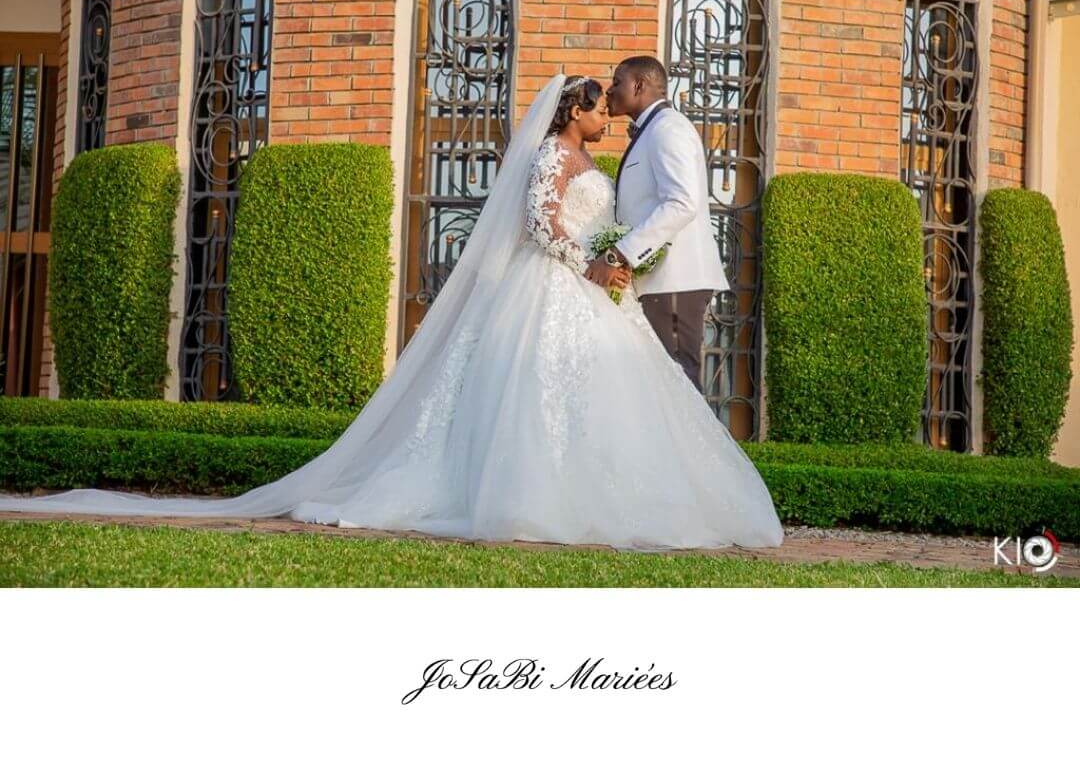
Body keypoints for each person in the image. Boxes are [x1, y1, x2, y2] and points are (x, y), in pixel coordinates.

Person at [0, 73, 784, 551]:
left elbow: (590, 218)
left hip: (593, 289)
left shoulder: (596, 158)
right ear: (569, 115)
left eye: (607, 103)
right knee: (537, 394)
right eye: (593, 106)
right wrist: (591, 262)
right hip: (558, 288)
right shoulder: (552, 156)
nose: (603, 112)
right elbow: (542, 226)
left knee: (612, 395)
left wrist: (609, 257)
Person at [598, 55, 729, 389]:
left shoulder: (668, 129)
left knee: (678, 387)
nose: (609, 90)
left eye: (617, 82)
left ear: (639, 85)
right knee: (663, 387)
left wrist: (620, 253)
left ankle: (694, 445)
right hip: (662, 280)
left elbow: (683, 202)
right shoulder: (653, 130)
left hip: (676, 279)